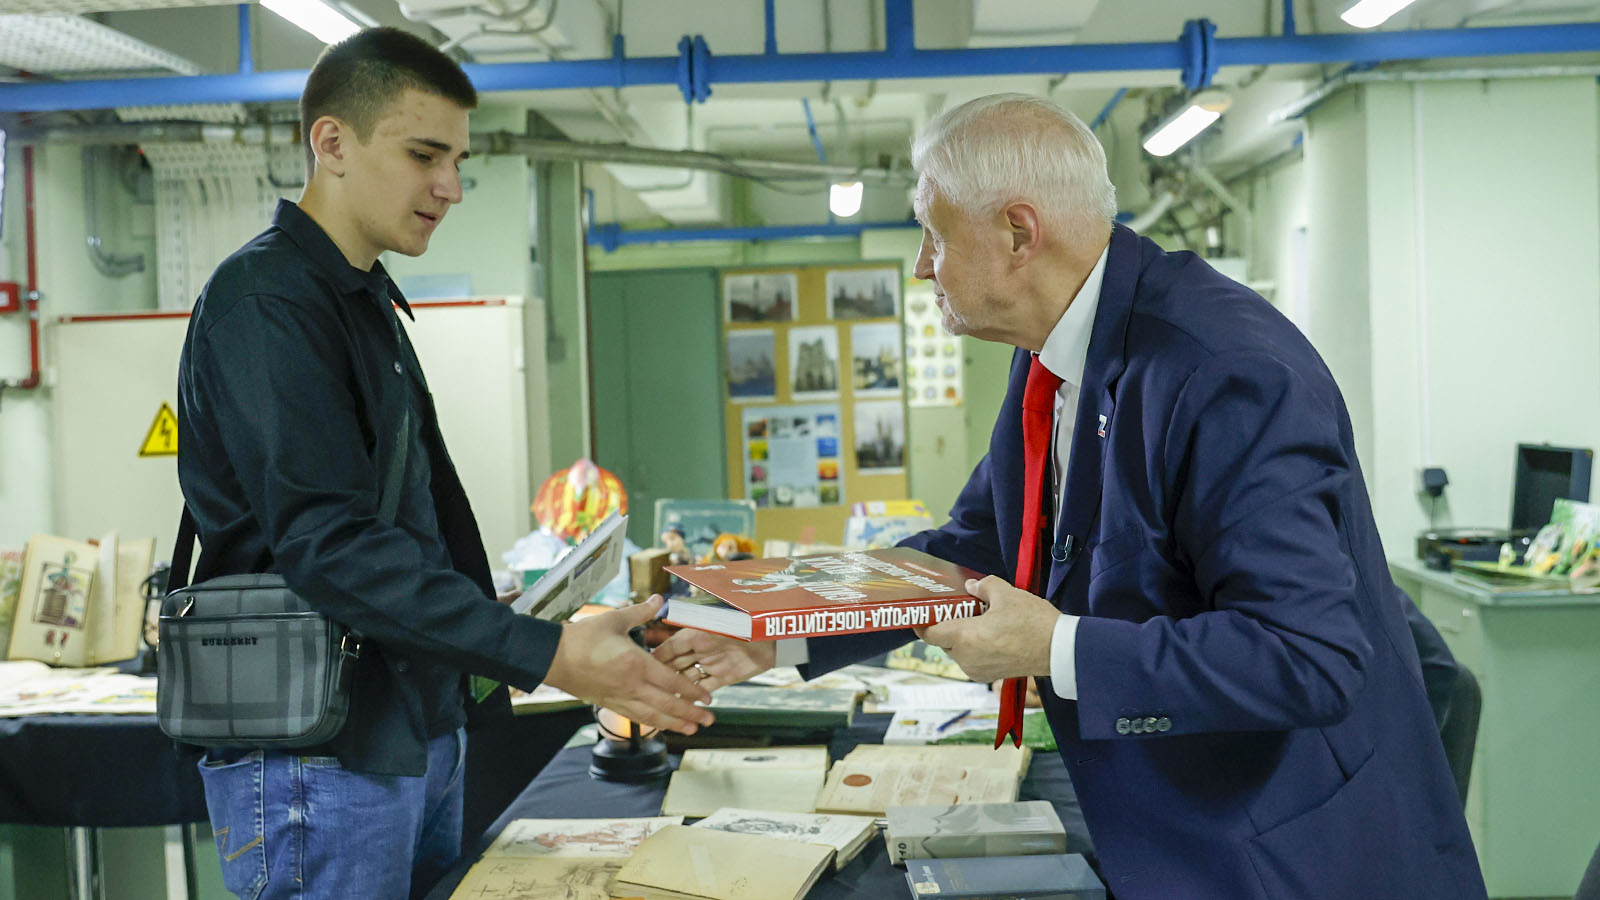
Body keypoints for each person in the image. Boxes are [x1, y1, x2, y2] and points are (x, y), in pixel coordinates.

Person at [657, 93, 1484, 898]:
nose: (921, 265)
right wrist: (778, 631)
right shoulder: (1052, 350)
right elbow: (982, 542)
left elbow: (1306, 659)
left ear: (1019, 233)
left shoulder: (1225, 371)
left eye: (934, 234)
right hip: (1165, 822)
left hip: (1280, 851)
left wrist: (1054, 647)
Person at [175, 28, 711, 900]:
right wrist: (547, 653)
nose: (451, 187)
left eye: (459, 161)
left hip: (412, 731)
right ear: (332, 143)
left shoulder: (362, 298)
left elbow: (401, 532)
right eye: (424, 155)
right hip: (322, 755)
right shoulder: (268, 301)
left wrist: (519, 626)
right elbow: (330, 546)